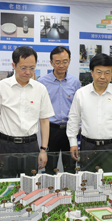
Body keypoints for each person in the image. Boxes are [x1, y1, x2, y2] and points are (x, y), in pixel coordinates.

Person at [0, 46, 54, 178]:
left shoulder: (40, 89)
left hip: (31, 146)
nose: (28, 72)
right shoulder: (0, 87)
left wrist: (43, 149)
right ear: (14, 65)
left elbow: (44, 121)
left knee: (30, 187)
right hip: (6, 146)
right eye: (23, 68)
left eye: (32, 68)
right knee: (5, 185)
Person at [67, 53, 112, 173]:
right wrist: (73, 143)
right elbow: (74, 119)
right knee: (88, 181)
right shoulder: (81, 94)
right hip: (88, 146)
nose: (103, 76)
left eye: (107, 73)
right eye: (99, 72)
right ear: (92, 72)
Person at [37, 46, 81, 174]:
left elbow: (78, 107)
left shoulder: (75, 82)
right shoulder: (42, 82)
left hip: (70, 130)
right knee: (50, 168)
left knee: (71, 167)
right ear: (51, 63)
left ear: (69, 61)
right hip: (51, 130)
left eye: (65, 61)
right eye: (57, 62)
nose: (61, 65)